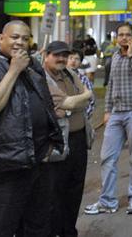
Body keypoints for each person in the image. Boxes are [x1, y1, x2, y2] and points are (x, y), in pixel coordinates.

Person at [0, 20, 62, 237]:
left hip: (38, 162)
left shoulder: (33, 67)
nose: (20, 42)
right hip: (4, 166)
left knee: (37, 227)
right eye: (15, 37)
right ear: (1, 39)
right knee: (0, 229)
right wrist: (13, 70)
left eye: (25, 39)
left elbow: (46, 103)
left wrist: (50, 142)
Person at [84, 22, 132, 216]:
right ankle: (107, 201)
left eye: (127, 34)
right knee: (107, 158)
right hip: (116, 113)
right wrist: (107, 110)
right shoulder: (114, 56)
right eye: (120, 34)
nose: (123, 38)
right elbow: (111, 85)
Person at [43, 41, 94, 237]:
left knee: (75, 189)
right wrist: (81, 99)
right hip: (58, 141)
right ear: (46, 55)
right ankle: (55, 231)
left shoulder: (70, 74)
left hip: (79, 140)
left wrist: (77, 101)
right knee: (56, 191)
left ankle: (69, 231)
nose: (61, 59)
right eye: (56, 55)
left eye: (64, 55)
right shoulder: (42, 78)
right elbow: (71, 102)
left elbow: (86, 99)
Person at [67, 49, 96, 120]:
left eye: (77, 59)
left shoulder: (84, 79)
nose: (73, 61)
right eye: (70, 58)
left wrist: (85, 117)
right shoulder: (58, 77)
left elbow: (91, 100)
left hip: (79, 117)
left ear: (80, 63)